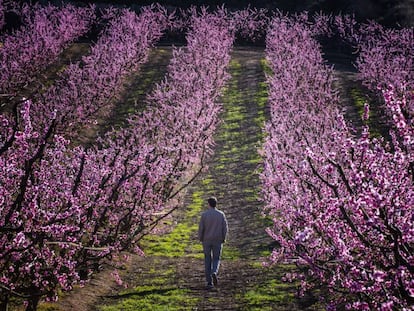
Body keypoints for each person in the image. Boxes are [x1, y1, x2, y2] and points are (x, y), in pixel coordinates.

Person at [198, 196, 228, 289]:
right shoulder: (221, 214)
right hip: (218, 239)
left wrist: (201, 237)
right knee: (216, 258)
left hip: (206, 239)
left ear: (208, 204)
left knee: (207, 259)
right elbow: (225, 227)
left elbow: (201, 228)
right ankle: (214, 271)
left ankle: (209, 282)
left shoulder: (204, 215)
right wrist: (224, 237)